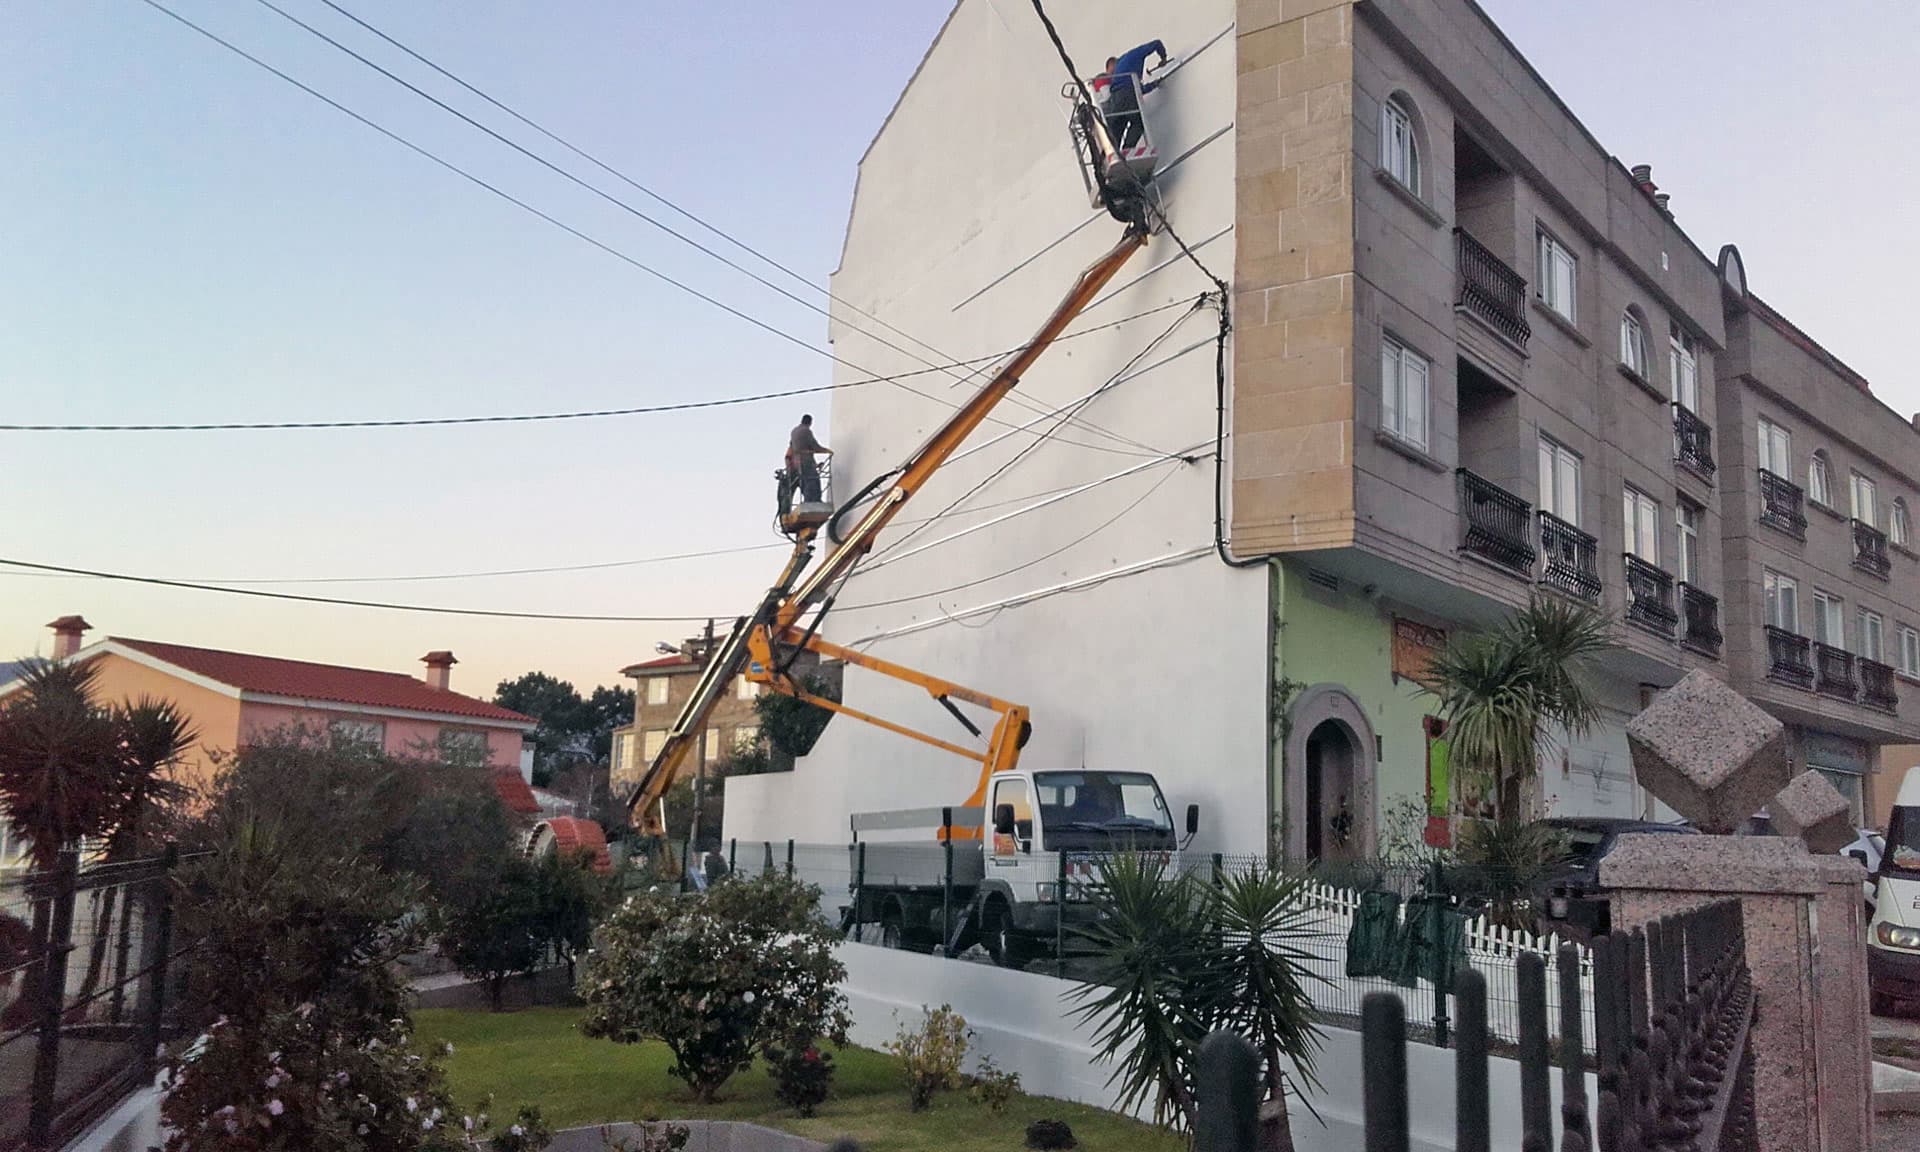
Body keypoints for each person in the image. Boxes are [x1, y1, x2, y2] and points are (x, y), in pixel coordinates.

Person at [1101, 40, 1168, 152]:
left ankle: (1111, 155)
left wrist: (1153, 84)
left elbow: (1135, 90)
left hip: (1116, 99)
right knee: (1138, 122)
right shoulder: (1134, 56)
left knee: (1117, 127)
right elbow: (1157, 43)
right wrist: (1163, 58)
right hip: (1128, 95)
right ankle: (1127, 150)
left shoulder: (1119, 70)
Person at [787, 413, 832, 504]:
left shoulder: (794, 431)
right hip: (806, 460)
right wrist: (827, 451)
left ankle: (808, 500)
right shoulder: (806, 431)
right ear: (810, 422)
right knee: (813, 480)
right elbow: (815, 446)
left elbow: (792, 446)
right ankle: (814, 501)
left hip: (797, 462)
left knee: (805, 481)